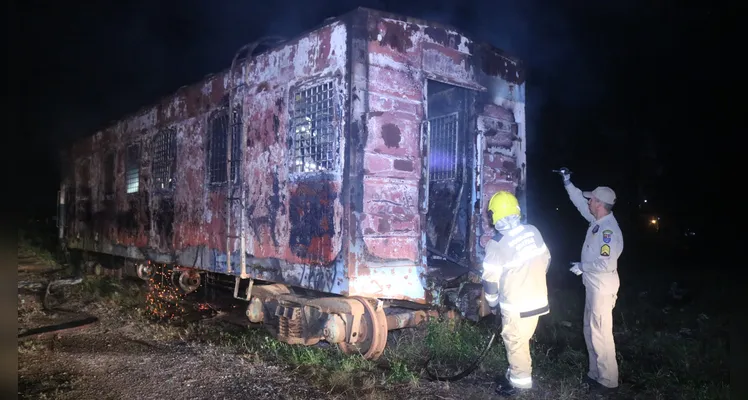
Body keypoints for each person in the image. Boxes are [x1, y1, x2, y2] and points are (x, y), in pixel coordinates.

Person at [557, 167, 623, 394]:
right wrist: (567, 183)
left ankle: (608, 382)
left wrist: (582, 267)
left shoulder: (608, 231)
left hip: (602, 288)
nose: (587, 203)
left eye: (590, 200)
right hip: (594, 285)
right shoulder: (597, 222)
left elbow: (606, 264)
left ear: (598, 203)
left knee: (601, 333)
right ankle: (595, 375)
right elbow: (577, 202)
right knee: (590, 330)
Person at [481, 190, 552, 396]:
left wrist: (492, 303)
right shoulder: (533, 231)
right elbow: (546, 260)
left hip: (516, 306)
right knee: (521, 342)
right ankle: (514, 373)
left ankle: (520, 386)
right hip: (539, 302)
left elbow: (490, 280)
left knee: (515, 343)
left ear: (495, 216)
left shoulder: (496, 245)